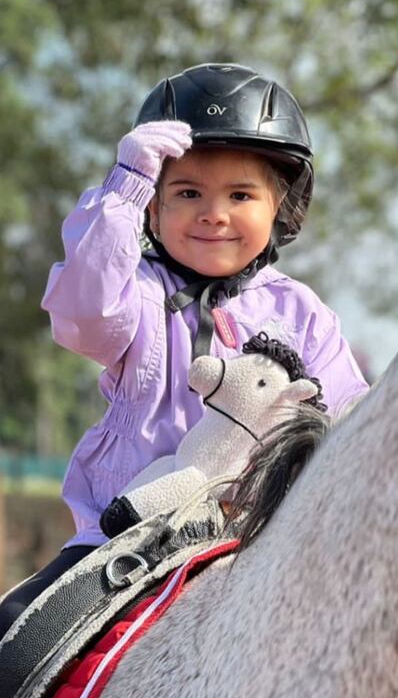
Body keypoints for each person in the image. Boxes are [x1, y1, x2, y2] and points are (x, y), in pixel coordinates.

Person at [0, 64, 368, 637]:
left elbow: (348, 419)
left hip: (256, 541)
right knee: (13, 636)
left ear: (280, 208)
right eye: (187, 192)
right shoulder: (135, 288)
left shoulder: (304, 312)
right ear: (154, 209)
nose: (213, 212)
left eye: (240, 194)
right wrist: (125, 186)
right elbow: (81, 313)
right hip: (119, 545)